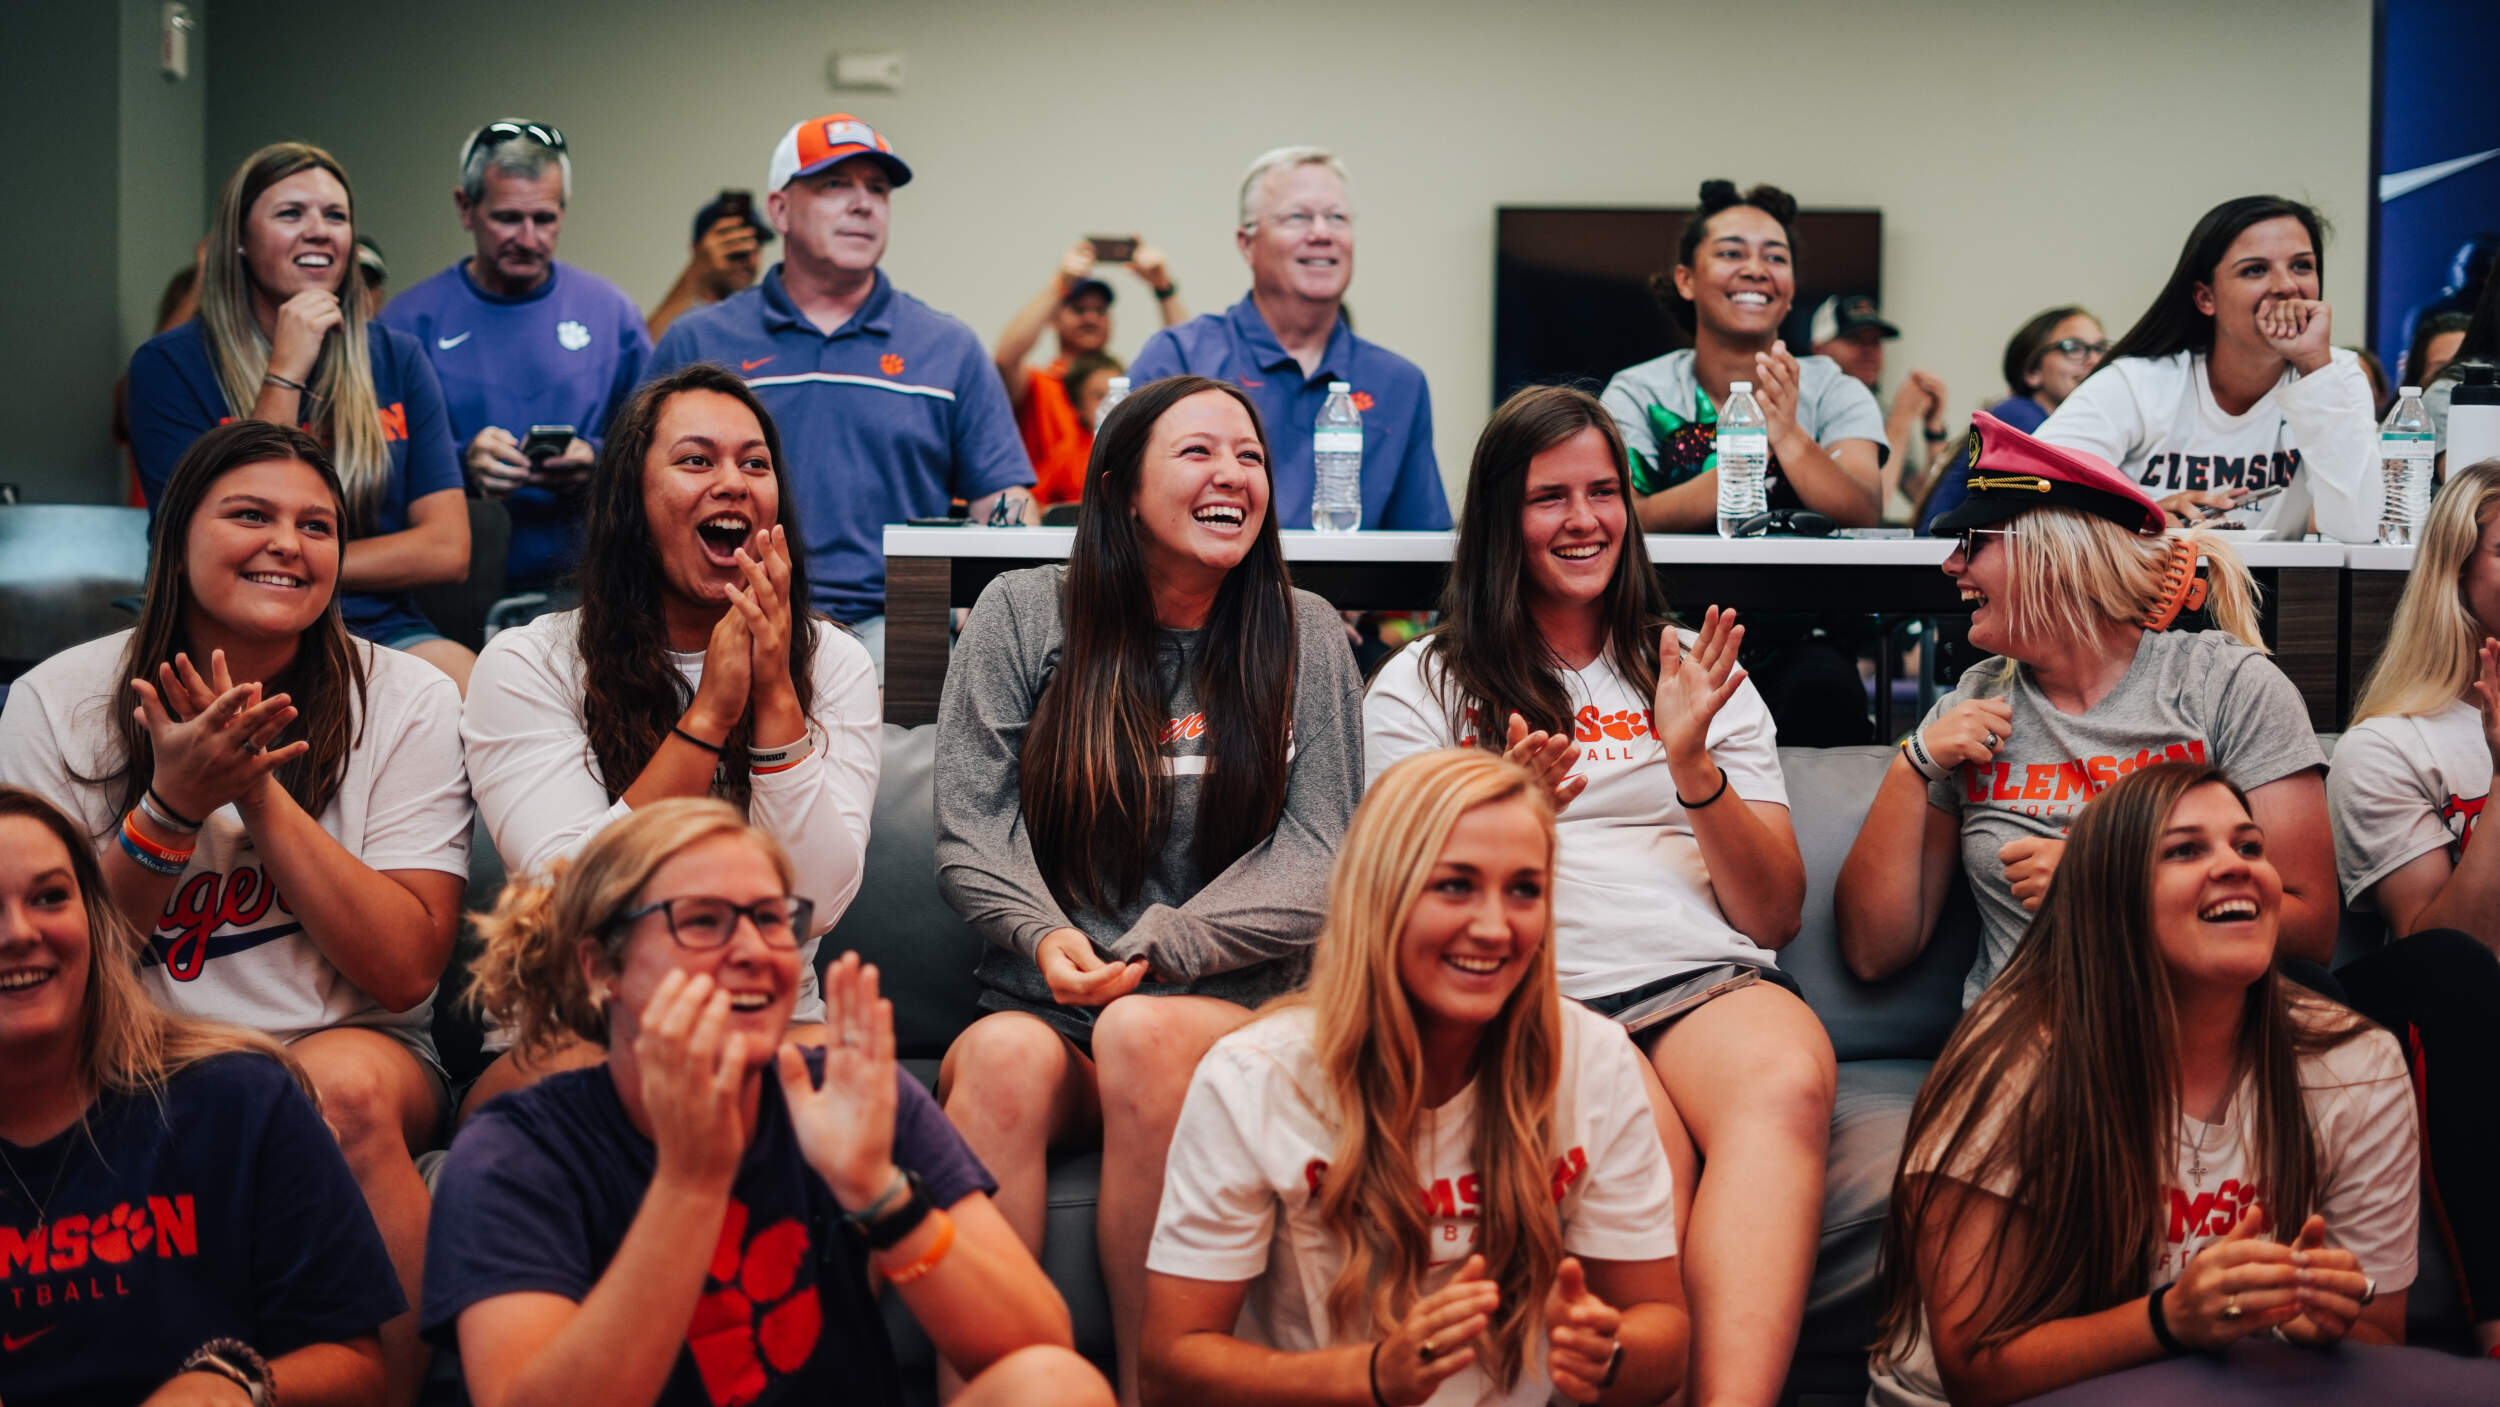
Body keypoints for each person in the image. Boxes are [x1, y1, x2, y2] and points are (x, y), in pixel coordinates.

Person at [1364, 385, 1826, 1407]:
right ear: (1499, 520)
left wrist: (1690, 758)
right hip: (1540, 982)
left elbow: (1774, 916)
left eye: (1603, 492)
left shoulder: (1695, 671)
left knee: (1789, 1074)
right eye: (1548, 498)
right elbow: (1393, 904)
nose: (1583, 521)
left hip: (1701, 972)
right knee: (1641, 1140)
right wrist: (1504, 813)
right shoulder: (1423, 685)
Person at [0, 420, 473, 1407]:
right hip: (126, 1049)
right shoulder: (58, 700)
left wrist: (255, 792)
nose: (286, 543)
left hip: (354, 1038)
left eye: (316, 525)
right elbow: (47, 956)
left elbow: (405, 971)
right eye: (250, 515)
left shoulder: (409, 699)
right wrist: (171, 809)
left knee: (329, 1087)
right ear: (176, 537)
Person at [934, 374, 1365, 1400]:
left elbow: (1325, 857)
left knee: (1142, 1031)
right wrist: (1043, 939)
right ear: (1123, 489)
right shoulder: (1023, 612)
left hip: (1236, 1018)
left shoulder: (1302, 630)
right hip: (1050, 1005)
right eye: (1200, 453)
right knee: (995, 1057)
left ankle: (1146, 1391)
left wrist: (1154, 948)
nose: (1232, 477)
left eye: (1251, 457)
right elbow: (968, 828)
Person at [425, 798, 1112, 1407]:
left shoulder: (848, 1095)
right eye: (703, 920)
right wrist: (690, 1183)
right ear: (601, 968)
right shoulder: (516, 1151)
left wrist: (876, 1188)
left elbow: (1035, 1341)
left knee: (1057, 1385)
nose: (755, 950)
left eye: (771, 918)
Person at [1866, 760, 2453, 1407]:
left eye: (2250, 845)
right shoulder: (2015, 1060)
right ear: (2109, 895)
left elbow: (2383, 1345)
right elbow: (1975, 1369)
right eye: (2185, 850)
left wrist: (2317, 1324)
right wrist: (2171, 1317)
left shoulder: (2356, 1063)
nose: (2237, 864)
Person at [1141, 747, 1689, 1406]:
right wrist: (1372, 1376)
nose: (1493, 927)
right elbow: (1171, 1363)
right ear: (1381, 895)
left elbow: (1663, 1335)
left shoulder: (1593, 1058)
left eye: (1524, 889)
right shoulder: (1254, 1076)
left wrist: (1609, 1354)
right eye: (1455, 884)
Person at [459, 364, 880, 1118]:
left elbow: (813, 902)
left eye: (755, 463)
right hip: (581, 1027)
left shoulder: (836, 663)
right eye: (696, 460)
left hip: (768, 1025)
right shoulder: (528, 663)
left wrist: (776, 690)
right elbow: (572, 900)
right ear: (632, 497)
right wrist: (711, 716)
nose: (733, 482)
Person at [1836, 414, 2336, 1005]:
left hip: (2191, 1031)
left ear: (2053, 554)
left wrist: (2109, 882)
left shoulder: (2225, 685)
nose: (1952, 566)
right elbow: (1873, 953)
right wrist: (1913, 765)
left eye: (1972, 543)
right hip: (2024, 1042)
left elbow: (2310, 933)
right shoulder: (1967, 710)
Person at [0, 786, 407, 1407]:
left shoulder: (239, 1100)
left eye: (51, 897)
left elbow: (361, 1372)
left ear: (96, 921)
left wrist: (234, 1389)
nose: (19, 933)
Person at [648, 113, 1034, 677]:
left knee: (922, 748)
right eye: (835, 185)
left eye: (877, 189)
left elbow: (1003, 497)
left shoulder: (947, 347)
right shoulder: (700, 340)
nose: (864, 204)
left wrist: (993, 602)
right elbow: (633, 491)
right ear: (779, 209)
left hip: (898, 625)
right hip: (723, 611)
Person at [124, 141, 473, 693]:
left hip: (375, 624)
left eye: (335, 216)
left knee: (474, 691)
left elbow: (446, 548)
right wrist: (285, 370)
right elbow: (208, 547)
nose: (319, 230)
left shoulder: (397, 358)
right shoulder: (167, 365)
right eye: (291, 214)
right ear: (238, 239)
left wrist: (308, 566)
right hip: (222, 630)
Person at [2330, 456, 2500, 1357]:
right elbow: (2441, 955)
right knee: (2454, 975)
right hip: (2462, 1011)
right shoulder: (2388, 749)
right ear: (2459, 578)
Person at [380, 119, 652, 600]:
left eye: (544, 219)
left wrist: (596, 459)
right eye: (507, 218)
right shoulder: (406, 322)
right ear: (466, 209)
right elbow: (372, 469)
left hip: (584, 583)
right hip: (448, 588)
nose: (528, 239)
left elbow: (656, 445)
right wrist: (462, 464)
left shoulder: (611, 314)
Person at [1127, 146, 1450, 532]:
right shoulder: (1180, 358)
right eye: (1298, 217)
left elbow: (1421, 547)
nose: (1321, 234)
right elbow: (1127, 519)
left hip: (1357, 594)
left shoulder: (1399, 383)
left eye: (1337, 218)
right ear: (1248, 243)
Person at [2035, 195, 2382, 540]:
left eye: (2302, 266)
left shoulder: (2333, 373)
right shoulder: (2139, 383)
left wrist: (2313, 367)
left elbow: (2356, 526)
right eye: (2256, 270)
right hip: (2143, 586)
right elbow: (2029, 484)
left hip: (2266, 591)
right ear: (2205, 298)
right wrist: (2139, 515)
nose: (2287, 286)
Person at [1603, 181, 1886, 531]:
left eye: (1775, 257)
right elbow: (1624, 518)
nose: (1756, 270)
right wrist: (1753, 453)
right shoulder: (1637, 392)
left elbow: (1864, 511)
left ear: (1791, 289)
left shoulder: (1835, 390)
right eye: (1731, 253)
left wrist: (1787, 435)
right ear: (1686, 280)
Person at [995, 239, 1189, 507]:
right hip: (1046, 521)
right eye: (1079, 309)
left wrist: (1162, 287)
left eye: (1100, 311)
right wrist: (1060, 284)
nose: (1091, 318)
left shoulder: (1128, 388)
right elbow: (1005, 358)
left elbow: (1186, 360)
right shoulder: (1039, 384)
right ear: (1054, 317)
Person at [1919, 307, 2110, 533]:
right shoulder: (2018, 415)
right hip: (1943, 560)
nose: (2095, 360)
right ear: (2032, 372)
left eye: (2101, 348)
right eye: (2073, 348)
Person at [1810, 293, 1950, 521]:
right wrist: (1901, 420)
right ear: (1819, 349)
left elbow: (1928, 501)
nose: (1869, 352)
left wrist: (1934, 428)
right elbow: (1869, 506)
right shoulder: (1808, 403)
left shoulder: (1879, 408)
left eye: (1875, 342)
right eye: (1855, 340)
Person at [646, 190, 770, 342]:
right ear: (698, 249)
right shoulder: (683, 323)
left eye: (755, 246)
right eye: (732, 245)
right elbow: (643, 356)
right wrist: (696, 270)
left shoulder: (766, 317)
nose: (746, 258)